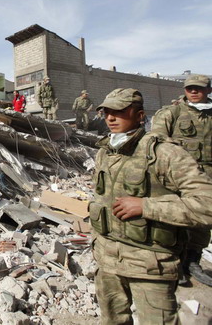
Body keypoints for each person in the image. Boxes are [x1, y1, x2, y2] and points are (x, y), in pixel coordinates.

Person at [91, 88, 212, 324]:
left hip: (149, 266)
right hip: (107, 263)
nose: (110, 118)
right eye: (106, 112)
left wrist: (147, 207)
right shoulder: (105, 152)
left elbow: (207, 204)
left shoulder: (164, 153)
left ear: (140, 116)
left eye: (119, 112)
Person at [151, 74, 212, 286]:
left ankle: (192, 261)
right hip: (179, 176)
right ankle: (173, 262)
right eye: (190, 88)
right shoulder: (172, 112)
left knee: (203, 221)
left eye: (199, 88)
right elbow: (157, 139)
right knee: (175, 217)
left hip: (209, 177)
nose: (194, 92)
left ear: (209, 90)